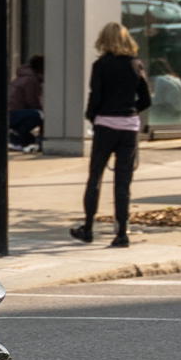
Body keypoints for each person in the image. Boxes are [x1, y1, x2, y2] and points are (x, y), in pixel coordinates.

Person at [72, 22, 152, 248]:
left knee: (95, 176)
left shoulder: (100, 65)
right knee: (123, 182)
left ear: (103, 41)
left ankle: (88, 228)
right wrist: (131, 110)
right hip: (129, 127)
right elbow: (146, 99)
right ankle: (121, 233)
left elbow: (95, 96)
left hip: (105, 125)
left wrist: (92, 116)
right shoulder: (136, 65)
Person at [6, 55, 45, 151]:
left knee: (35, 115)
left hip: (9, 113)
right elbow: (32, 100)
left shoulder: (23, 77)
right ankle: (16, 136)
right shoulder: (31, 80)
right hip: (12, 114)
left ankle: (16, 139)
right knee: (39, 115)